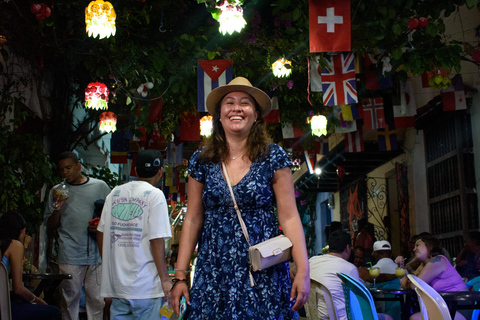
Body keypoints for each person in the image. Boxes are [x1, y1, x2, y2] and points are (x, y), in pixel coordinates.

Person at [170, 76, 310, 319]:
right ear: (219, 114)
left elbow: (289, 217)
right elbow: (192, 219)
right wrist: (180, 276)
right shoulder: (202, 160)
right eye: (229, 102)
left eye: (245, 103)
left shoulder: (272, 156)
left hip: (262, 270)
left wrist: (303, 271)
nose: (236, 108)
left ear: (255, 115)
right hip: (214, 271)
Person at [97, 149, 172, 319]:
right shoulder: (155, 195)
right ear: (160, 172)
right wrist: (165, 280)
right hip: (146, 289)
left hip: (119, 288)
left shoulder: (114, 194)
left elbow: (101, 234)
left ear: (136, 171)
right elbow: (156, 240)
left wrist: (110, 270)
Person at [45, 151, 111, 319]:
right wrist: (57, 207)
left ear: (79, 166)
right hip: (69, 252)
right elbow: (50, 225)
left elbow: (112, 216)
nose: (65, 172)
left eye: (68, 167)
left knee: (96, 300)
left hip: (96, 252)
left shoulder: (100, 187)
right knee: (69, 300)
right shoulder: (57, 191)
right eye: (61, 169)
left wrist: (101, 226)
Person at [309, 230, 392, 320]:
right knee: (387, 318)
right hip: (343, 318)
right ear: (347, 248)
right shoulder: (349, 268)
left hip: (315, 317)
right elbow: (357, 301)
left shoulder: (311, 262)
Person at [0, 211, 62, 320]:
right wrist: (37, 300)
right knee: (54, 312)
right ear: (21, 230)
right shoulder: (15, 245)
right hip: (4, 309)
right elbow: (18, 289)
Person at [399, 234, 467, 320]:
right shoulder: (425, 265)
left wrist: (407, 282)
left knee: (415, 318)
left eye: (418, 245)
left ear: (429, 245)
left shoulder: (437, 261)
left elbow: (413, 285)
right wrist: (401, 266)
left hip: (460, 306)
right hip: (446, 305)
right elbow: (410, 282)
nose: (414, 249)